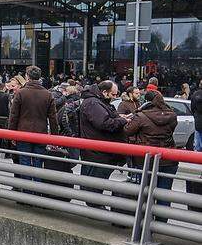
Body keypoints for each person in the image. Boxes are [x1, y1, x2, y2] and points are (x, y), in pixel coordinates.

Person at [124, 91, 178, 221]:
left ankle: (143, 223)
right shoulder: (172, 115)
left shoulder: (141, 116)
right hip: (168, 158)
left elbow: (127, 130)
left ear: (146, 102)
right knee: (164, 193)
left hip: (146, 159)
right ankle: (161, 224)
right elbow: (172, 129)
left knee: (145, 192)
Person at [79, 80, 128, 207]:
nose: (115, 98)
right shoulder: (93, 103)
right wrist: (122, 121)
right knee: (95, 184)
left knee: (94, 184)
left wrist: (119, 118)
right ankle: (96, 208)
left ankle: (96, 207)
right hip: (98, 152)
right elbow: (104, 123)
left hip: (98, 151)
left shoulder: (95, 102)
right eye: (113, 94)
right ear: (104, 92)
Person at [8, 66, 58, 172]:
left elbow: (13, 116)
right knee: (38, 163)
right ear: (39, 77)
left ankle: (27, 188)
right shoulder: (48, 94)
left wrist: (11, 133)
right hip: (41, 133)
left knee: (24, 163)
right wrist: (54, 136)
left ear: (27, 77)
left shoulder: (21, 93)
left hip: (23, 133)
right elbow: (53, 118)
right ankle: (36, 186)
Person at [191, 86, 202, 152]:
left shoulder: (195, 94)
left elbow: (192, 108)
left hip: (198, 121)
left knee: (197, 143)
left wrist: (195, 115)